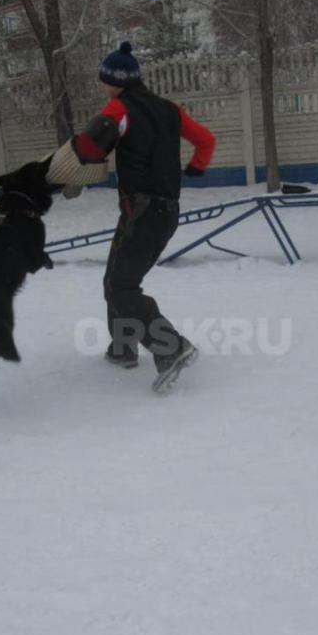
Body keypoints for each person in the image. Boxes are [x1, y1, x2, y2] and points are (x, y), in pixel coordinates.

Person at [72, 41, 216, 392]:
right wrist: (196, 168)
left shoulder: (119, 108)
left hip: (141, 212)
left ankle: (171, 347)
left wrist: (68, 164)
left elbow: (90, 148)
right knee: (117, 279)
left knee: (120, 286)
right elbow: (206, 140)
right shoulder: (169, 109)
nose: (103, 87)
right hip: (164, 212)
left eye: (105, 81)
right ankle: (122, 349)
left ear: (113, 80)